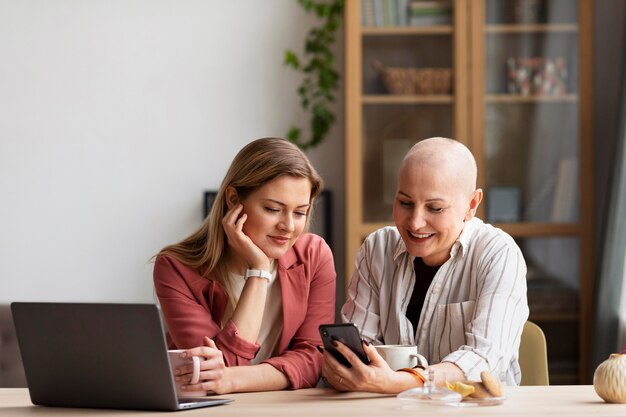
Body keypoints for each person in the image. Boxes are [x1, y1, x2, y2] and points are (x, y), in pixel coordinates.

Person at [322, 137, 528, 394]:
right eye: (405, 203)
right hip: (389, 411)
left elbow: (484, 359)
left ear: (471, 205)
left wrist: (404, 381)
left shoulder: (498, 253)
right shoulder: (376, 249)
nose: (416, 223)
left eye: (435, 208)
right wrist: (345, 367)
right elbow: (361, 349)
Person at [153, 137, 336, 394]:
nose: (289, 226)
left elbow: (313, 358)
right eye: (273, 209)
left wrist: (232, 380)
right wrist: (259, 271)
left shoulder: (314, 256)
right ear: (233, 199)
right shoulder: (175, 269)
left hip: (282, 408)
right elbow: (208, 374)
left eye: (300, 212)